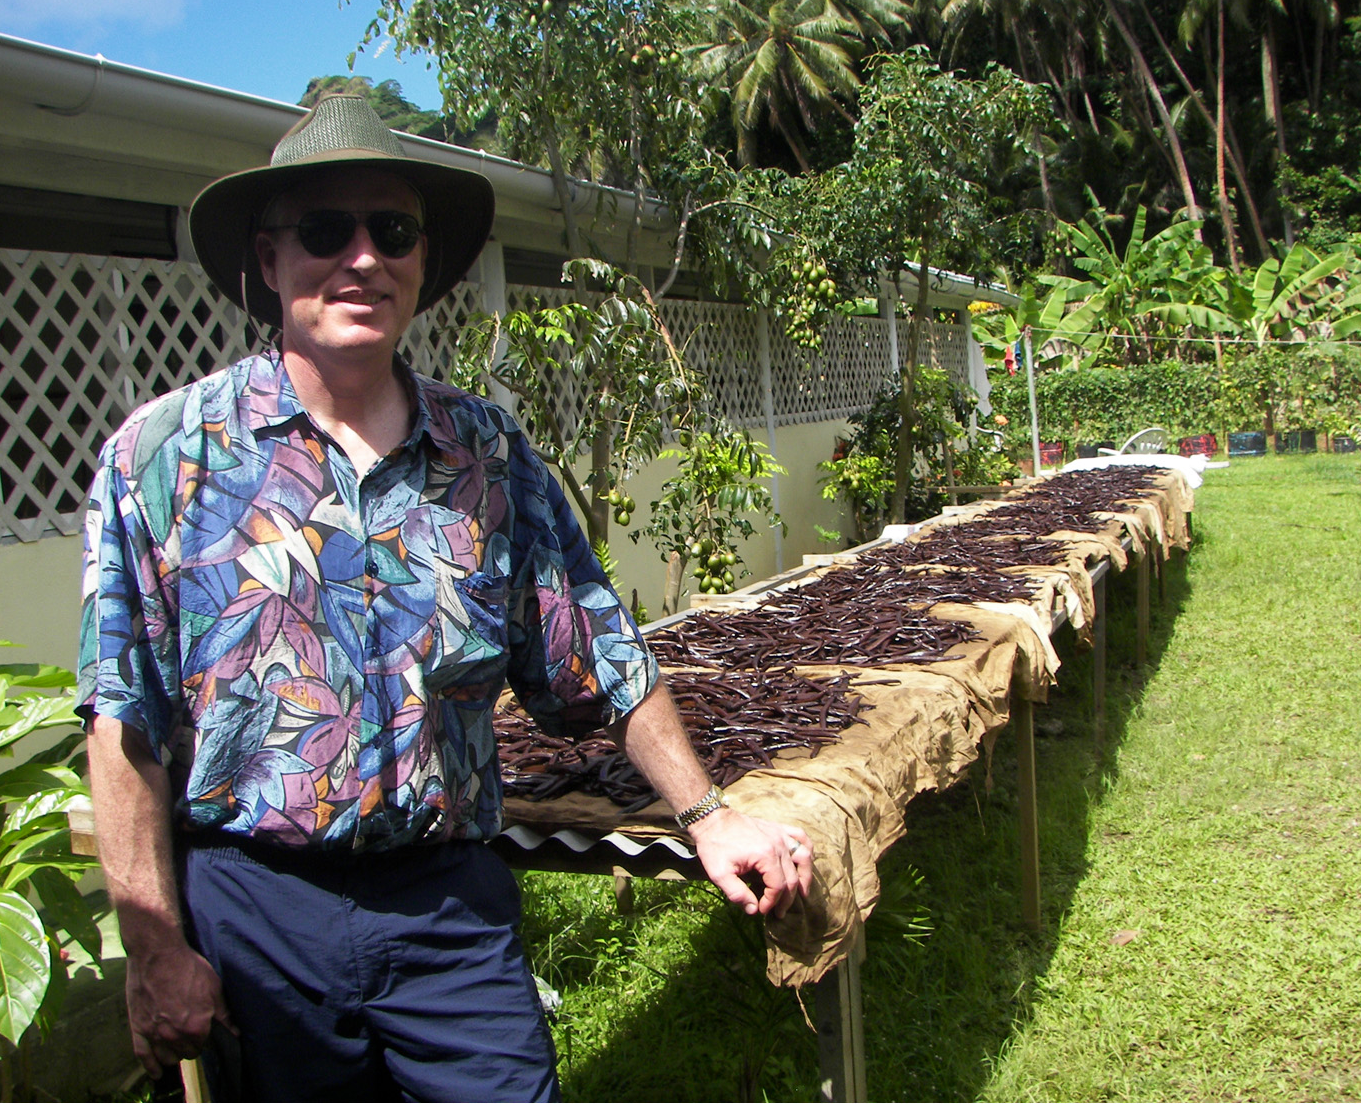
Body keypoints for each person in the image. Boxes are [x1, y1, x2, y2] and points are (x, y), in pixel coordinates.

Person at [78, 94, 813, 1102]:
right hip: (254, 914)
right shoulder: (162, 461)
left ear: (424, 261)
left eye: (394, 230)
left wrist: (708, 813)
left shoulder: (487, 454)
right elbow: (123, 725)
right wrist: (154, 948)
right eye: (327, 230)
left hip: (446, 910)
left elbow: (598, 652)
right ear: (267, 258)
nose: (363, 258)